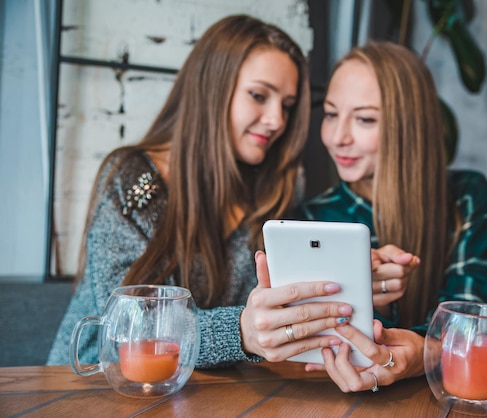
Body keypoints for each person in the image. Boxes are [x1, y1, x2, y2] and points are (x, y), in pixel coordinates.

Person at [47, 14, 354, 368]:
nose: (277, 121)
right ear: (211, 88)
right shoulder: (133, 180)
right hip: (95, 389)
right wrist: (242, 332)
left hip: (204, 396)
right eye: (259, 95)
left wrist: (344, 277)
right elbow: (128, 332)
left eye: (285, 106)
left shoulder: (269, 192)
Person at [290, 41, 487, 392]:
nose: (338, 137)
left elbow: (475, 322)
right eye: (330, 113)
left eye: (365, 119)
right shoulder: (314, 217)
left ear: (408, 126)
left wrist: (425, 353)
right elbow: (325, 336)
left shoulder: (465, 196)